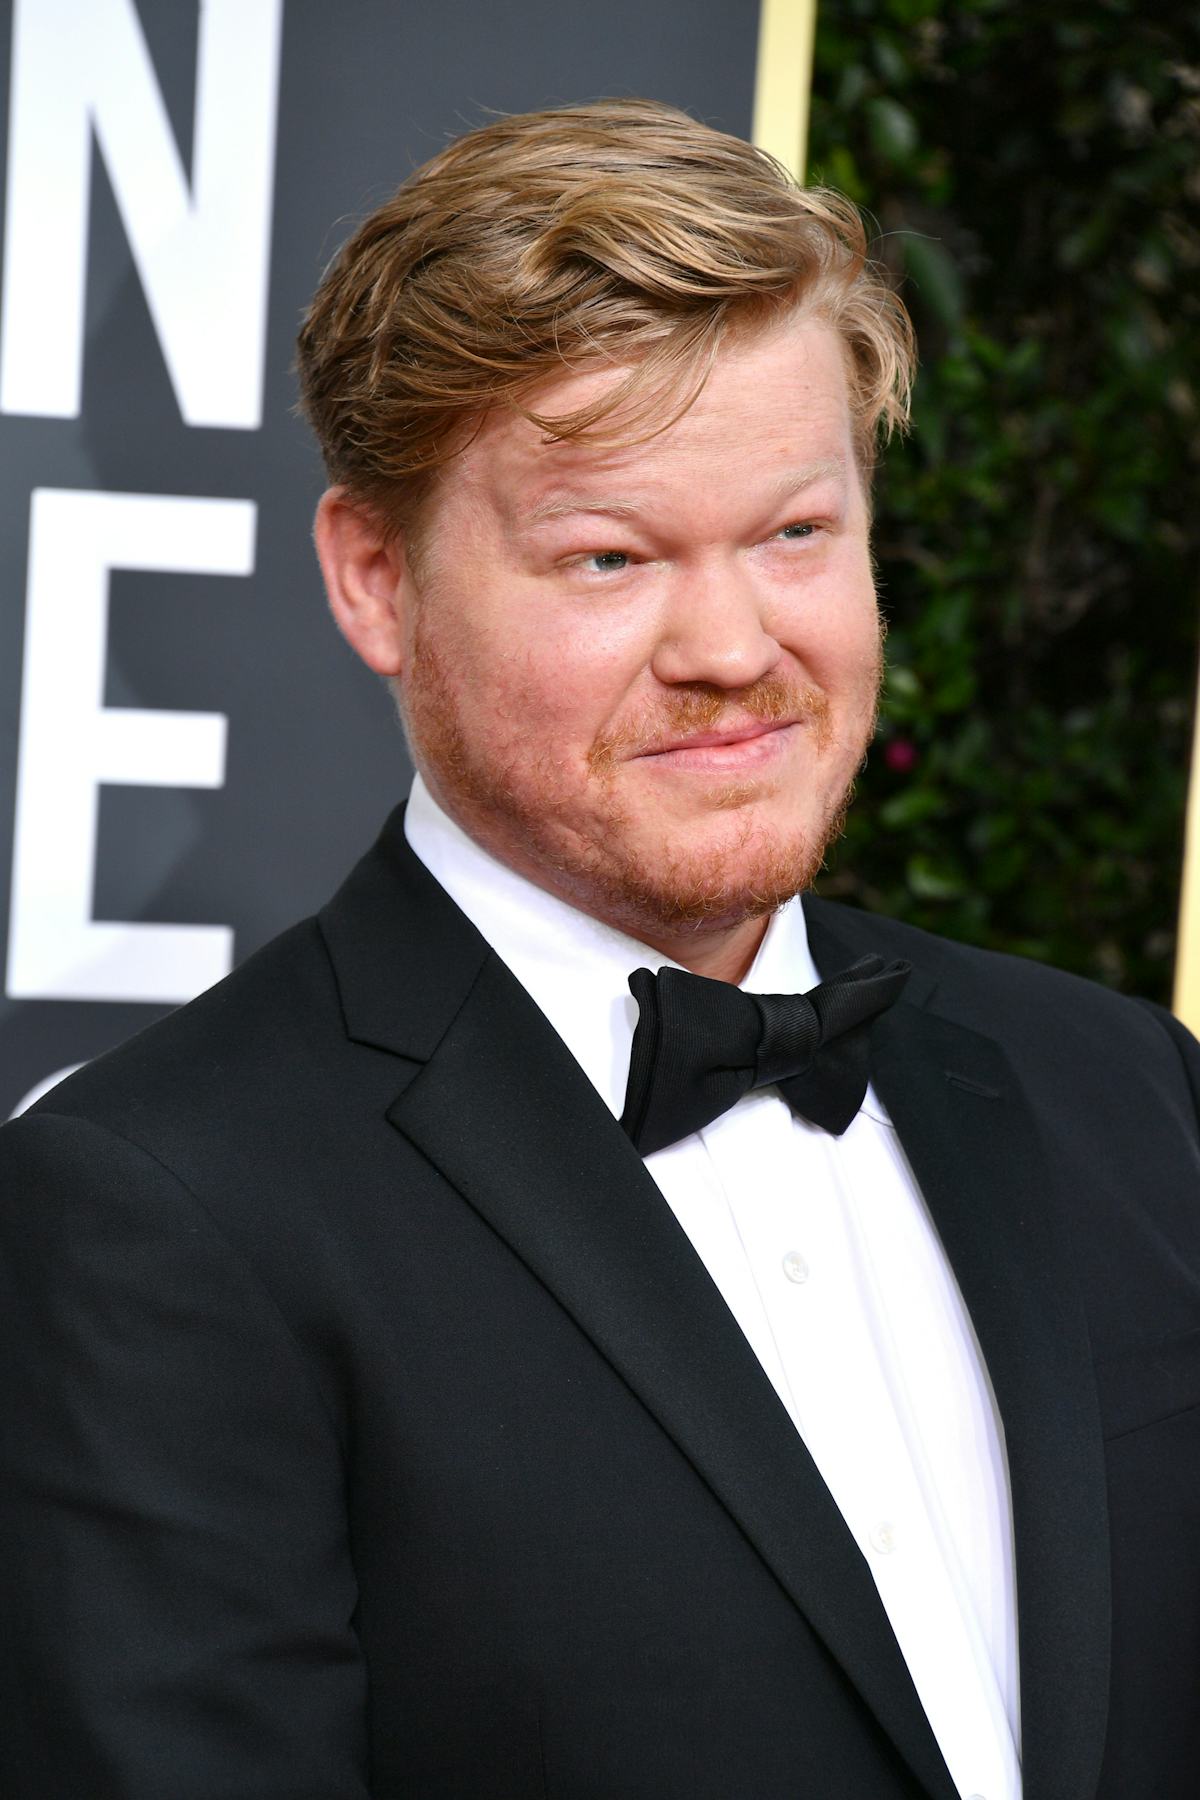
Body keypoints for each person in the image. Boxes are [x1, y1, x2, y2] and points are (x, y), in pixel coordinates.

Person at [1, 98, 1198, 1800]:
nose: (732, 645)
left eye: (796, 533)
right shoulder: (162, 1215)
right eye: (609, 557)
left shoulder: (1128, 1092)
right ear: (375, 577)